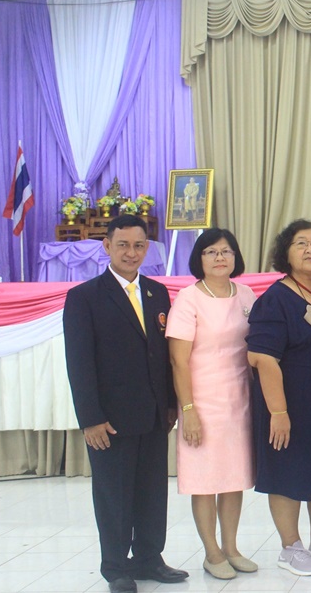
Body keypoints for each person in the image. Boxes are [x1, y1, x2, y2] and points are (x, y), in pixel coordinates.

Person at [63, 215, 188, 593]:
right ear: (107, 247)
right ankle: (116, 566)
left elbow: (163, 355)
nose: (131, 253)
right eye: (123, 245)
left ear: (146, 248)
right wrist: (90, 418)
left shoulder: (157, 293)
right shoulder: (84, 297)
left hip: (153, 415)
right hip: (110, 420)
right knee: (114, 495)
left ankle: (149, 558)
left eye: (138, 246)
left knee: (152, 492)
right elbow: (79, 363)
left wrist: (170, 404)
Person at [246, 220, 311, 577]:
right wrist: (278, 411)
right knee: (286, 472)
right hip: (286, 404)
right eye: (301, 243)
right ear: (285, 253)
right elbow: (263, 359)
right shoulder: (274, 299)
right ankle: (290, 546)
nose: (310, 249)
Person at [166, 229, 257, 580]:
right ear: (199, 259)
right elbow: (178, 361)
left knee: (233, 477)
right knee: (204, 480)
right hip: (201, 402)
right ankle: (211, 551)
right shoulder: (189, 298)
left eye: (226, 251)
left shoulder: (246, 294)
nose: (220, 258)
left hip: (240, 400)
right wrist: (188, 411)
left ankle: (231, 547)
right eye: (211, 252)